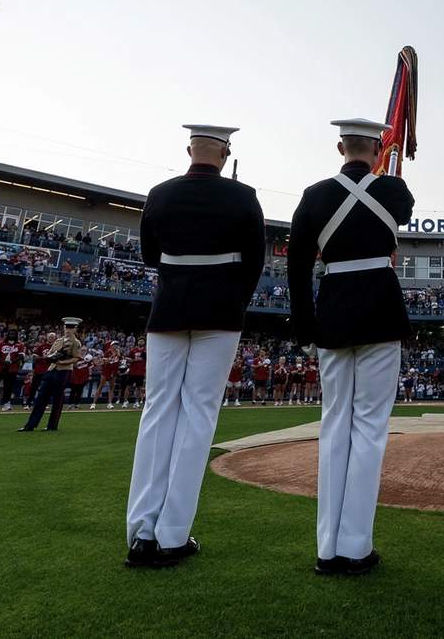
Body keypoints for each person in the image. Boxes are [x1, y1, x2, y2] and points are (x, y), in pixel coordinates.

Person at [125, 124, 265, 569]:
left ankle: (139, 533)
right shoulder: (244, 197)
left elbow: (150, 255)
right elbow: (256, 261)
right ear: (225, 154)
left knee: (157, 412)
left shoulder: (159, 193)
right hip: (221, 312)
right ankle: (172, 535)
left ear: (190, 150)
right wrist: (233, 300)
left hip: (169, 309)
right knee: (199, 416)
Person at [287, 118, 414, 578]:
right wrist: (391, 171)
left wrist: (304, 327)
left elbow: (298, 268)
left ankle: (327, 548)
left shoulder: (314, 195)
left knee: (334, 424)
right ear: (377, 150)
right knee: (370, 430)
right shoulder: (393, 190)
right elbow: (402, 208)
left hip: (334, 312)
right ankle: (356, 545)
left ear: (340, 147)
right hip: (380, 310)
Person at [19, 320, 84, 432]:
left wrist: (62, 361)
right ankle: (30, 425)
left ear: (75, 329)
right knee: (41, 398)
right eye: (66, 327)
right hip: (51, 369)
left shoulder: (76, 342)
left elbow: (77, 357)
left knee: (58, 399)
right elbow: (49, 353)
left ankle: (52, 425)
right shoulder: (58, 340)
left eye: (71, 327)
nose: (68, 329)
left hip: (63, 370)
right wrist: (51, 357)